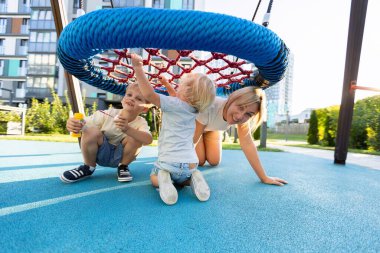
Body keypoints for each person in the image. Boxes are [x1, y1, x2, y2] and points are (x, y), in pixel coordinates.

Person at [131, 53, 216, 205]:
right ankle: (194, 177)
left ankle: (164, 179)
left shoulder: (173, 105)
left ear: (184, 90)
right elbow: (176, 99)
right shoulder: (194, 109)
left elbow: (149, 94)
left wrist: (138, 68)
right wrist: (167, 84)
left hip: (169, 163)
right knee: (183, 179)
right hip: (191, 164)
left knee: (153, 178)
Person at [193, 86, 288, 186]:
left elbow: (247, 144)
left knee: (214, 161)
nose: (240, 116)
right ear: (232, 99)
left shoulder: (242, 119)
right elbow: (191, 143)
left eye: (249, 114)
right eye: (240, 107)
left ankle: (206, 139)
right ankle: (202, 141)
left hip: (212, 130)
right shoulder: (210, 106)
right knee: (200, 161)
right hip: (196, 128)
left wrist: (264, 177)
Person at [60, 82, 153, 183]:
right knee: (90, 130)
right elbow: (83, 123)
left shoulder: (141, 122)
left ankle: (123, 167)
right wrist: (74, 123)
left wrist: (127, 129)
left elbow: (148, 140)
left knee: (137, 137)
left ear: (144, 108)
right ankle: (88, 167)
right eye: (129, 95)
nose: (131, 98)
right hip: (100, 154)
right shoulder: (107, 114)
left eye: (139, 99)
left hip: (121, 157)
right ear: (123, 99)